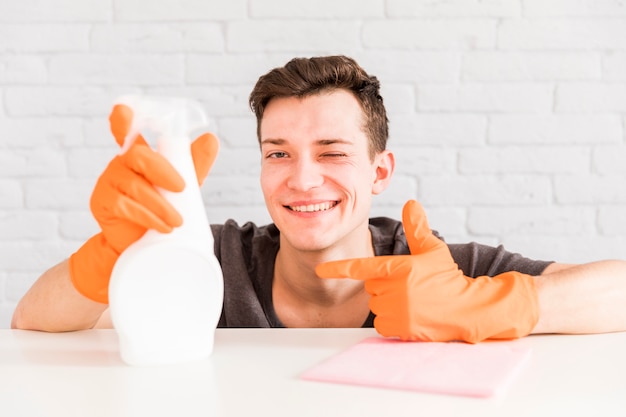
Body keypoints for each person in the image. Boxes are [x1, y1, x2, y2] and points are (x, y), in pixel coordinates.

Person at [11, 55, 626, 342]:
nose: (302, 180)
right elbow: (33, 321)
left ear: (380, 170)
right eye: (278, 152)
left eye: (332, 152)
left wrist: (491, 304)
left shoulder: (435, 268)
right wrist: (115, 254)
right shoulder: (215, 258)